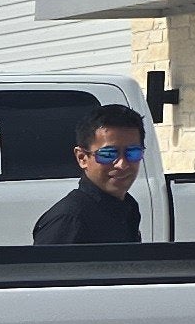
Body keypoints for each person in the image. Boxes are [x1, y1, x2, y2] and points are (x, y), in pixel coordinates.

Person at [33, 103, 150, 245]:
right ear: (82, 158)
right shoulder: (69, 220)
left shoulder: (128, 208)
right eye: (108, 154)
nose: (122, 164)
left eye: (133, 153)